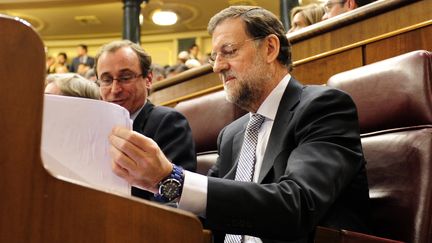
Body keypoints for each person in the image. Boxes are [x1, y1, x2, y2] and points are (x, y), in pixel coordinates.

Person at [108, 6, 369, 243]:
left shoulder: (323, 107)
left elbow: (297, 206)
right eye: (214, 57)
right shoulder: (232, 134)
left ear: (270, 48)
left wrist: (171, 178)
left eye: (229, 52)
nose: (217, 67)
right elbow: (205, 214)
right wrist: (148, 194)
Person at [94, 40, 197, 201]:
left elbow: (177, 199)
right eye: (106, 80)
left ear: (148, 79)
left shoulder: (168, 122)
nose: (115, 90)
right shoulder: (95, 128)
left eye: (125, 78)